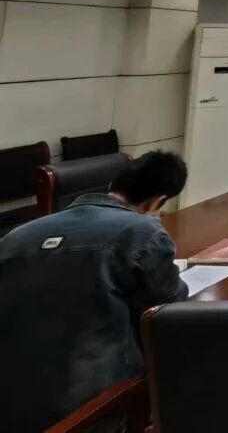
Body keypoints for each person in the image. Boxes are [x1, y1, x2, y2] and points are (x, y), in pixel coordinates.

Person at [0, 151, 189, 432]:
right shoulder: (141, 233)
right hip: (94, 410)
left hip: (12, 405)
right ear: (157, 201)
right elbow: (169, 308)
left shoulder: (14, 238)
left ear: (113, 184)